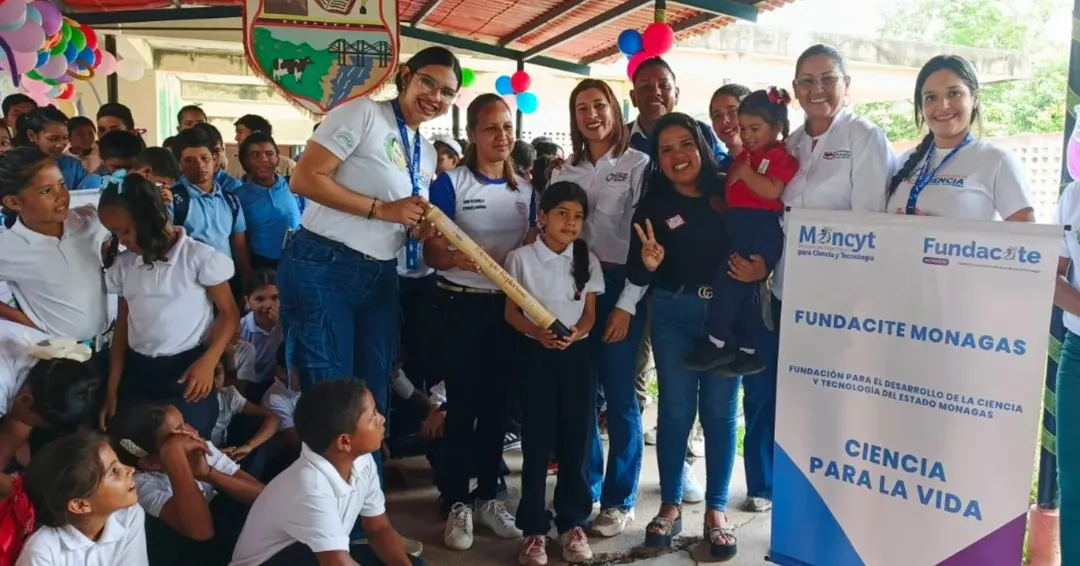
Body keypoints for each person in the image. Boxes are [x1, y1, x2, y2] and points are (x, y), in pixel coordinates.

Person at [279, 45, 459, 471]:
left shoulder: (427, 151)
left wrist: (413, 225)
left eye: (447, 92)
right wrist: (383, 210)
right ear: (406, 77)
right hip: (323, 265)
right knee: (332, 397)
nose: (435, 96)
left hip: (380, 273)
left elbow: (402, 211)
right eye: (428, 82)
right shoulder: (361, 113)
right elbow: (304, 178)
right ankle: (333, 526)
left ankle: (367, 513)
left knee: (372, 395)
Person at [741, 44, 894, 515]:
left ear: (846, 85)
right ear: (794, 90)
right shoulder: (790, 146)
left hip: (840, 301)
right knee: (791, 399)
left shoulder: (866, 138)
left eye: (828, 78)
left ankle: (836, 504)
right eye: (806, 81)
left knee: (833, 404)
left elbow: (873, 224)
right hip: (789, 291)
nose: (817, 89)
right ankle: (786, 497)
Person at [629, 112, 767, 560]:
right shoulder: (652, 204)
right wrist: (648, 264)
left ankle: (716, 511)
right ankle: (670, 506)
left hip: (727, 319)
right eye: (665, 150)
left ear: (701, 145)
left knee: (721, 413)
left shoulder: (730, 187)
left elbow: (766, 229)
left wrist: (763, 265)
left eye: (684, 144)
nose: (677, 156)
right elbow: (635, 268)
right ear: (658, 160)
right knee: (675, 410)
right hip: (673, 313)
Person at [425, 93, 530, 550]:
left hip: (507, 310)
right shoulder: (450, 184)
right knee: (461, 406)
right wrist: (470, 260)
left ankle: (489, 495)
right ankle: (455, 501)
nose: (501, 136)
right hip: (458, 305)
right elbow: (432, 252)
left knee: (497, 407)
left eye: (507, 127)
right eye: (491, 128)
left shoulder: (526, 189)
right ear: (471, 135)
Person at [547, 78, 649, 537]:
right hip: (572, 287)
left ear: (615, 108)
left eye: (599, 104)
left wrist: (626, 305)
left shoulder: (639, 164)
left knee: (621, 396)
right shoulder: (562, 171)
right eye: (582, 107)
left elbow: (648, 243)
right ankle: (583, 488)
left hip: (620, 286)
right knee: (580, 395)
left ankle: (619, 497)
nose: (592, 114)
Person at [98, 174, 240, 439]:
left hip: (187, 371)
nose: (122, 240)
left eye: (125, 231)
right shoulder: (124, 265)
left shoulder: (199, 257)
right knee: (135, 444)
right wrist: (112, 390)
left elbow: (230, 315)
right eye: (114, 233)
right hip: (138, 371)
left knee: (186, 441)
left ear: (149, 219)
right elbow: (122, 329)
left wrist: (208, 362)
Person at [506, 182, 603, 566]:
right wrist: (538, 334)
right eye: (562, 213)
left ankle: (571, 523)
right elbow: (511, 313)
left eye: (578, 216)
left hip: (576, 357)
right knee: (537, 440)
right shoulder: (521, 259)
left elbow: (591, 315)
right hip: (535, 356)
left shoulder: (586, 259)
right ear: (542, 217)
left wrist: (573, 336)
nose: (571, 222)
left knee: (576, 439)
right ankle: (533, 529)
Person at [229, 380, 424, 566]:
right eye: (373, 417)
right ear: (345, 442)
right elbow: (336, 562)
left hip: (314, 555)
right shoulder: (309, 486)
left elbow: (378, 528)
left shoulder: (362, 460)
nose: (382, 419)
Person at [686, 88, 798, 374]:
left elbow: (773, 191)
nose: (746, 134)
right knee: (744, 293)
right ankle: (748, 349)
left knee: (726, 286)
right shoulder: (744, 156)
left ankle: (718, 341)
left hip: (758, 229)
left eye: (754, 128)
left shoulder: (777, 156)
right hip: (741, 226)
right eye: (744, 128)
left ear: (776, 127)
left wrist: (748, 174)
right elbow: (740, 196)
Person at [110, 403, 263, 565]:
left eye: (185, 422)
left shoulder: (197, 446)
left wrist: (208, 474)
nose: (193, 432)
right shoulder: (141, 485)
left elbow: (260, 495)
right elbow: (202, 532)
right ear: (150, 463)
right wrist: (175, 458)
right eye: (178, 435)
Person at [886, 55, 1033, 221]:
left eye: (954, 93)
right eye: (931, 97)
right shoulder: (903, 161)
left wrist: (942, 239)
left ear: (974, 98)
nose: (943, 105)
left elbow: (1026, 240)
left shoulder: (997, 162)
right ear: (921, 106)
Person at [0, 147, 112, 346]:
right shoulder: (8, 248)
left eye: (61, 184)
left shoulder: (90, 219)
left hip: (114, 341)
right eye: (46, 191)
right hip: (64, 355)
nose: (61, 195)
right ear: (13, 202)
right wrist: (27, 325)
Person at [0, 320, 101, 497]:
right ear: (26, 399)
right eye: (34, 422)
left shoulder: (51, 360)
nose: (30, 426)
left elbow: (20, 422)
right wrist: (21, 494)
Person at [18, 432, 148, 566]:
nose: (130, 469)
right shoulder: (42, 552)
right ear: (80, 505)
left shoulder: (129, 515)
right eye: (113, 471)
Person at [170, 127, 253, 299]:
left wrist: (247, 286)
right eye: (190, 160)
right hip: (189, 287)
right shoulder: (172, 200)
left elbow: (239, 248)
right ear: (179, 164)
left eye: (204, 158)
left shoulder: (231, 201)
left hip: (227, 283)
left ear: (214, 160)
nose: (200, 165)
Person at [628, 58, 725, 163]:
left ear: (676, 95)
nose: (656, 92)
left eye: (664, 85)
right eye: (646, 87)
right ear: (633, 98)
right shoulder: (617, 139)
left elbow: (725, 171)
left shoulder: (701, 132)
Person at [233, 133, 301, 269]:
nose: (263, 159)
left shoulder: (295, 186)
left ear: (277, 159)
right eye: (255, 155)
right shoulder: (237, 197)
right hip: (262, 269)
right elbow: (239, 243)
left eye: (269, 154)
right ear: (245, 161)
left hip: (299, 264)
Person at [13, 107, 101, 192]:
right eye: (53, 138)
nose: (59, 145)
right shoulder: (15, 167)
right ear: (32, 135)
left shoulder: (72, 166)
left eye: (65, 138)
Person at [238, 270, 284, 397]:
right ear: (247, 301)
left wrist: (282, 326)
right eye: (259, 299)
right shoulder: (242, 328)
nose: (268, 305)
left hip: (282, 382)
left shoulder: (288, 324)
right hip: (252, 382)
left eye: (275, 298)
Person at [228, 114, 296, 179]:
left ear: (256, 133)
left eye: (240, 132)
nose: (236, 138)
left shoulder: (287, 165)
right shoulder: (234, 164)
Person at [708, 84, 751, 172]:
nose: (725, 120)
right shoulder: (719, 172)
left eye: (733, 111)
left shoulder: (775, 158)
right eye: (717, 116)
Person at [193, 123, 243, 194]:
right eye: (206, 153)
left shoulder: (233, 186)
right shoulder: (181, 185)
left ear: (223, 149)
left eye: (217, 151)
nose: (213, 158)